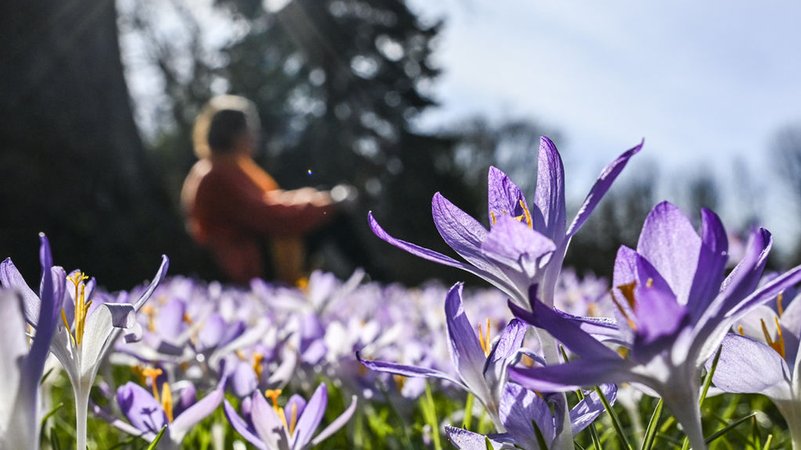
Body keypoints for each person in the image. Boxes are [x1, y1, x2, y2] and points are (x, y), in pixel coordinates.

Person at [181, 95, 348, 285]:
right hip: (246, 264)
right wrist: (328, 203)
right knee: (332, 216)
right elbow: (269, 216)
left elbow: (273, 201)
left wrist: (323, 198)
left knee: (327, 209)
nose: (256, 135)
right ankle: (375, 277)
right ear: (233, 134)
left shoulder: (229, 166)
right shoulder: (216, 174)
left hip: (251, 253)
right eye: (251, 129)